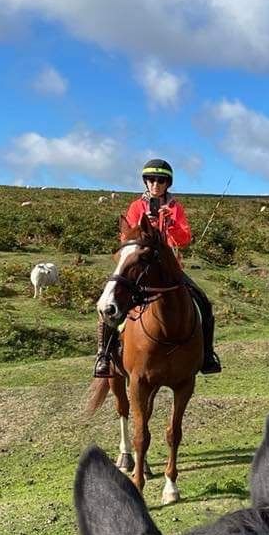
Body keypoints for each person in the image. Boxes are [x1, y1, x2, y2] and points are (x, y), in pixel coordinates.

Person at [94, 158, 221, 377]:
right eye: (151, 180)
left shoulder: (175, 208)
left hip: (170, 269)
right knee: (110, 304)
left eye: (160, 180)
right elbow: (127, 236)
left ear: (167, 183)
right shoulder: (136, 206)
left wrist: (170, 224)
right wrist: (148, 227)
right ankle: (103, 356)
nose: (155, 184)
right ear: (145, 182)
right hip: (141, 268)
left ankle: (207, 354)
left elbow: (185, 238)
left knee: (203, 301)